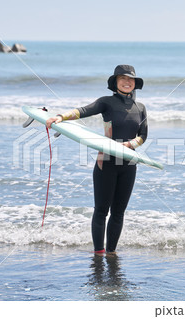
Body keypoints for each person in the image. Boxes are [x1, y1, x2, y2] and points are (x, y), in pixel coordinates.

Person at [46, 65, 148, 255]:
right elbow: (82, 111)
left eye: (131, 79)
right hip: (106, 162)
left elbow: (143, 135)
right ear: (115, 82)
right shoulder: (106, 103)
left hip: (128, 163)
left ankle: (111, 252)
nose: (127, 82)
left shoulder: (140, 108)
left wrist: (131, 145)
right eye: (123, 79)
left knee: (119, 212)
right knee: (101, 210)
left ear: (135, 83)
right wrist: (61, 117)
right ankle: (98, 253)